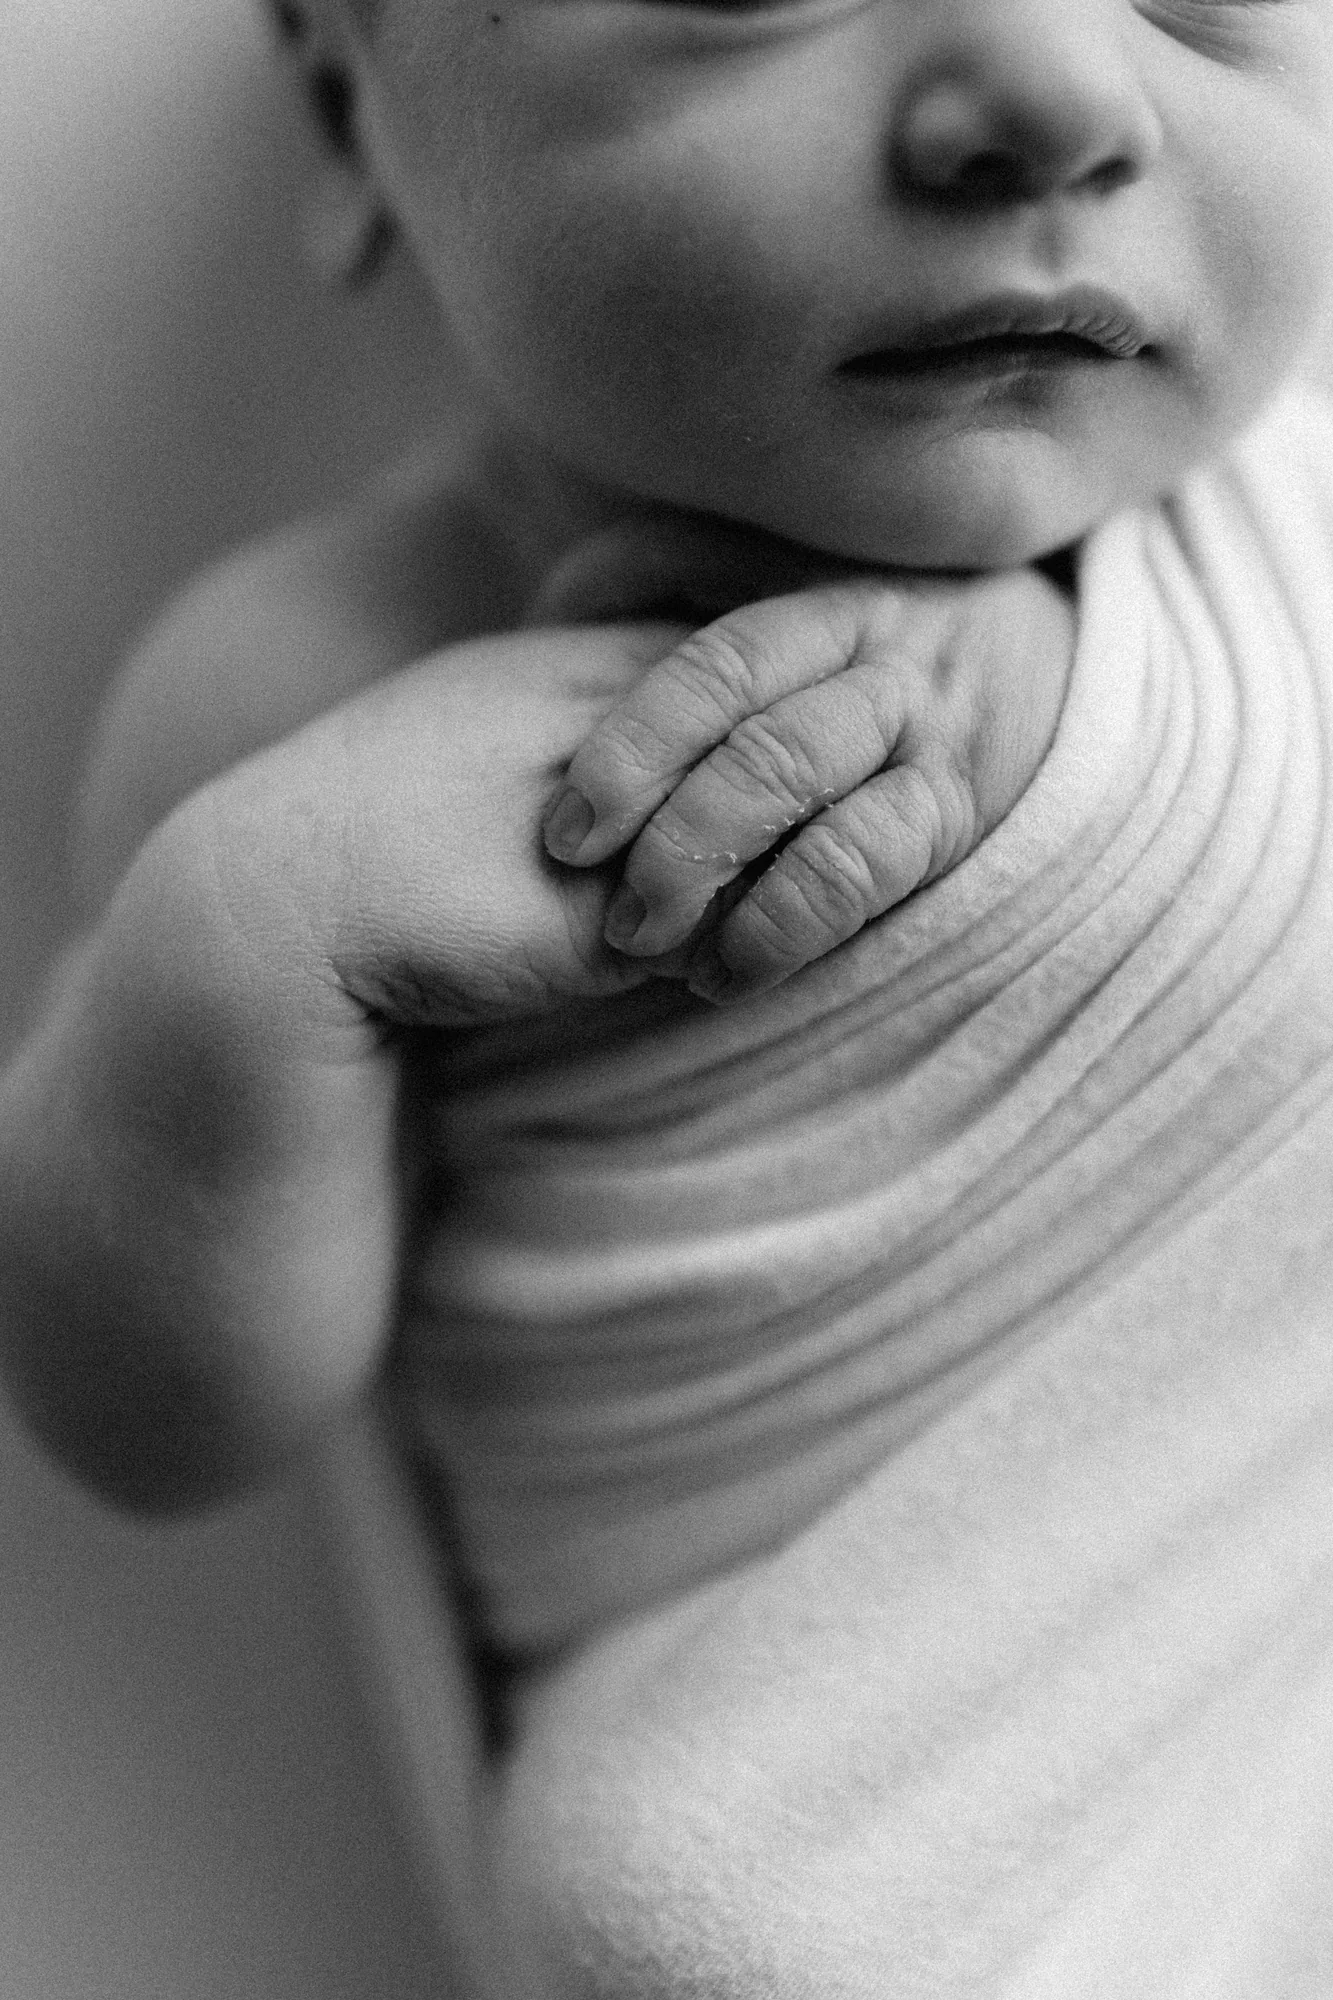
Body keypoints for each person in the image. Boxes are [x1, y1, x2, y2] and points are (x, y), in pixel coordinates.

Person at [5, 0, 1333, 1991]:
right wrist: (252, 941)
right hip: (866, 1827)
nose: (1056, 95)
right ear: (354, 105)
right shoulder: (316, 689)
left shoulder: (1296, 524)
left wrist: (1040, 707)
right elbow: (158, 1422)